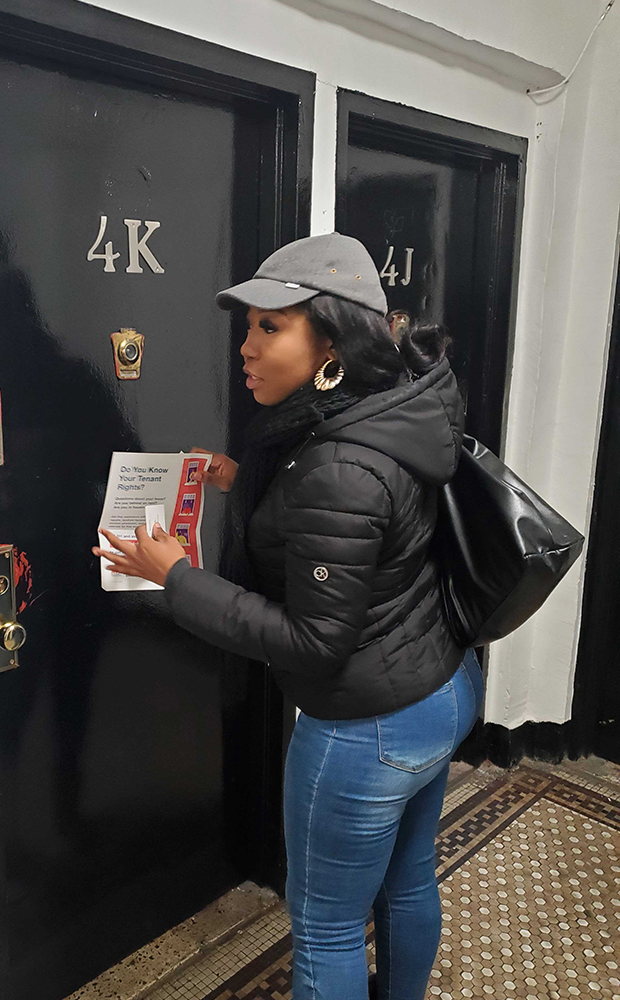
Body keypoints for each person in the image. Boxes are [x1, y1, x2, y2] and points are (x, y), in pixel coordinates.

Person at [92, 232, 486, 1000]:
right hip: (441, 688)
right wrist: (243, 483)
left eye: (270, 328)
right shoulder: (386, 413)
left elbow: (313, 641)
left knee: (329, 928)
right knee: (406, 881)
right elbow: (362, 525)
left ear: (332, 342)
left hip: (369, 727)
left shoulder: (339, 466)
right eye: (249, 327)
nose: (246, 348)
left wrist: (177, 578)